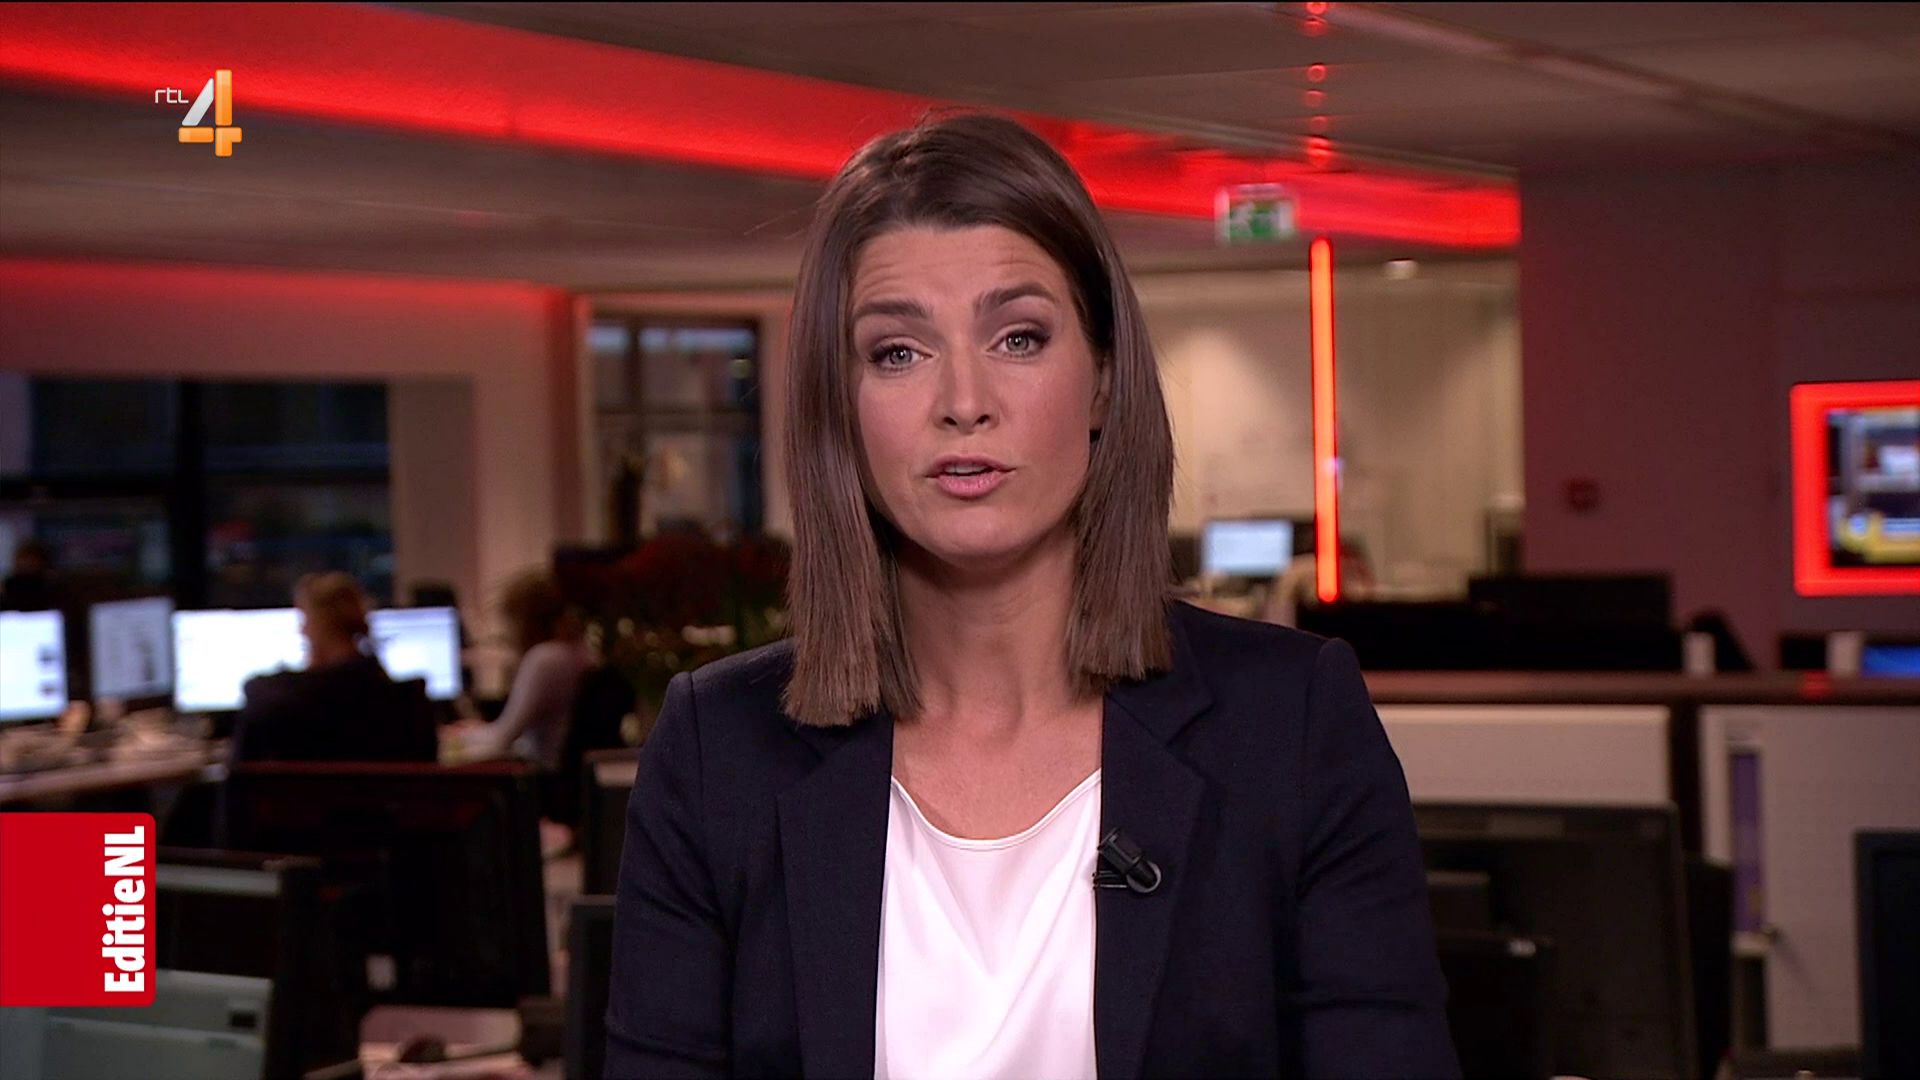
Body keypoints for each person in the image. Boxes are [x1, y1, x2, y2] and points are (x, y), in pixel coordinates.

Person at [605, 114, 1457, 1079]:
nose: (964, 401)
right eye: (898, 353)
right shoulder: (719, 749)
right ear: (839, 406)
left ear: (1102, 380)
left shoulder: (1290, 723)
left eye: (1018, 337)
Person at [231, 572, 435, 764]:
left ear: (317, 628)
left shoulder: (270, 703)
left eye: (305, 621)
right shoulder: (407, 704)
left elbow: (239, 783)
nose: (302, 630)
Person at [464, 570, 593, 772]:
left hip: (541, 776)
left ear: (524, 620)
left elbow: (503, 738)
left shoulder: (544, 658)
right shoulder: (580, 652)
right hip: (568, 775)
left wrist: (461, 735)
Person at [1, 539, 57, 611]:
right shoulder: (8, 585)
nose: (26, 564)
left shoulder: (50, 587)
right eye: (24, 559)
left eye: (31, 560)